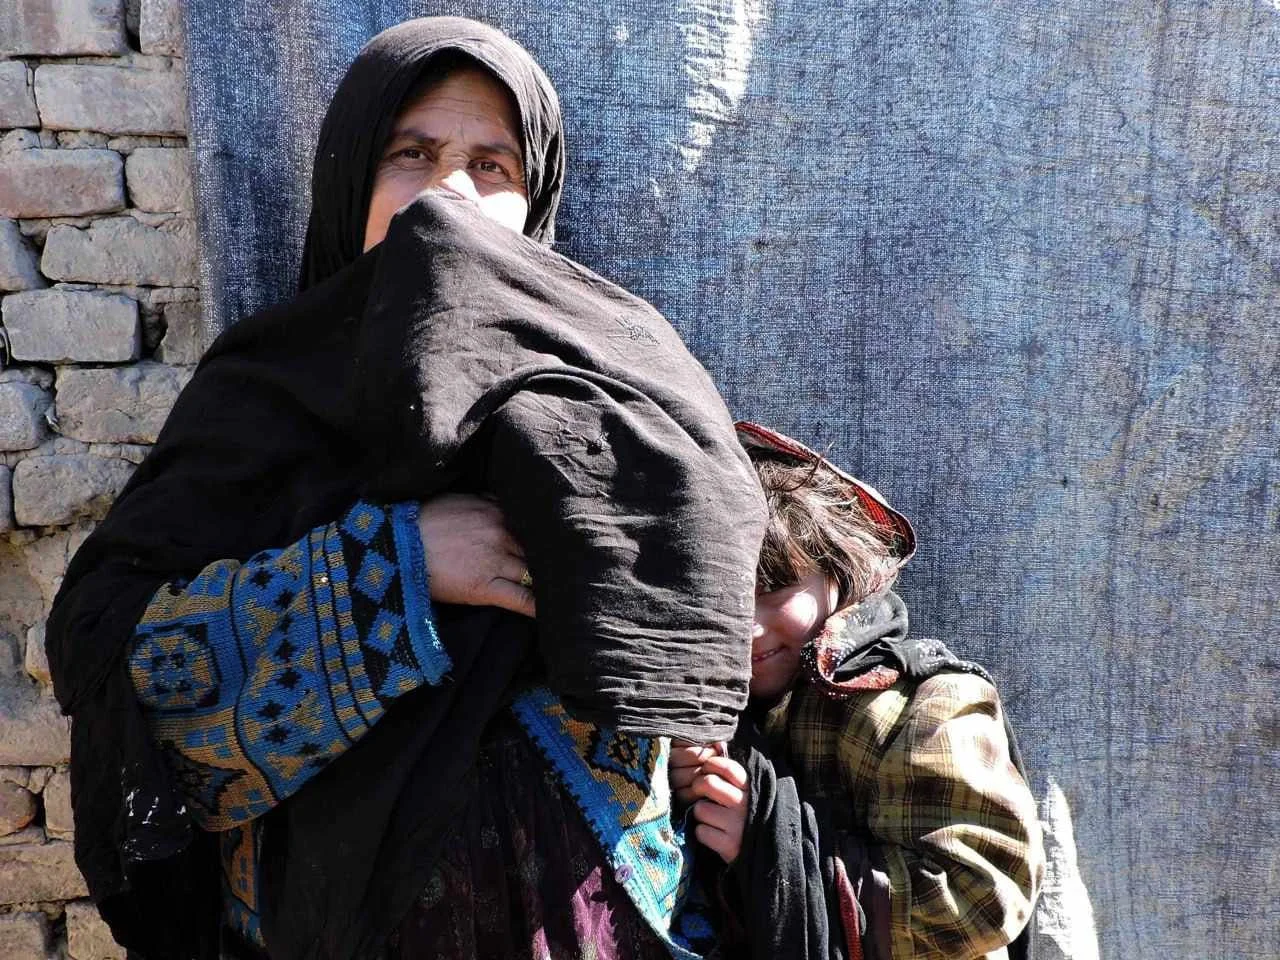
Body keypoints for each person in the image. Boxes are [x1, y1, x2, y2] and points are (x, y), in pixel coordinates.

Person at [46, 17, 767, 960]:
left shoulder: (629, 383)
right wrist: (397, 568)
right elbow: (117, 670)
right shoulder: (258, 400)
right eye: (411, 154)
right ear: (350, 182)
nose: (450, 192)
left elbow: (722, 653)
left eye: (492, 165)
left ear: (535, 198)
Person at [671, 422, 1045, 960]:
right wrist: (689, 793)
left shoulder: (925, 707)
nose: (749, 627)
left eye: (774, 589)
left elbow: (980, 896)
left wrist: (767, 843)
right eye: (722, 597)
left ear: (838, 572)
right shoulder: (699, 707)